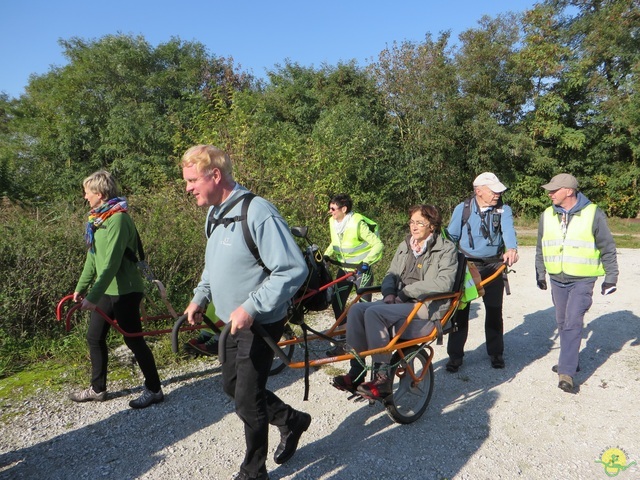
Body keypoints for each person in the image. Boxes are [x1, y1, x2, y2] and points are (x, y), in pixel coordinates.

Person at [182, 145, 311, 480]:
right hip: (231, 322)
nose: (188, 187)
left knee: (246, 399)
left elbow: (292, 269)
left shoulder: (257, 212)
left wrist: (252, 306)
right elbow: (213, 266)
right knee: (232, 387)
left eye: (193, 180)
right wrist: (200, 297)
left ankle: (253, 471)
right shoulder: (214, 213)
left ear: (215, 175)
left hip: (261, 319)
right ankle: (291, 420)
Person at [332, 204, 458, 399]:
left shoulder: (446, 249)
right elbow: (391, 274)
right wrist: (389, 292)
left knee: (374, 313)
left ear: (432, 226)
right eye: (412, 222)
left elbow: (444, 283)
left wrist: (406, 292)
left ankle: (382, 378)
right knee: (357, 310)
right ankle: (356, 371)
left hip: (426, 305)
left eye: (419, 223)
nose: (413, 227)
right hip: (401, 301)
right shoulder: (405, 245)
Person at [70, 170, 164, 409]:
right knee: (94, 337)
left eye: (87, 192)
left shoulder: (118, 219)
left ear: (100, 194)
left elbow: (111, 262)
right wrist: (81, 289)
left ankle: (154, 389)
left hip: (125, 290)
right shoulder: (96, 221)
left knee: (133, 340)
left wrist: (93, 296)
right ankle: (98, 389)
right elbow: (93, 258)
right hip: (106, 290)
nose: (85, 197)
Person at [535, 173, 618, 393]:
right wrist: (540, 272)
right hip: (557, 279)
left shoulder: (593, 214)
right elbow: (540, 246)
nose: (550, 193)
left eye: (554, 190)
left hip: (582, 279)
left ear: (569, 191)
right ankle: (569, 360)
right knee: (562, 322)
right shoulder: (547, 214)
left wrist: (611, 277)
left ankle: (567, 373)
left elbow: (607, 247)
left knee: (572, 321)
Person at [445, 172, 519, 372]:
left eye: (499, 190)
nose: (498, 194)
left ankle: (496, 353)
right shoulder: (463, 209)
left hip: (494, 266)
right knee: (460, 312)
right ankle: (455, 356)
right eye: (493, 190)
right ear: (478, 191)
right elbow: (451, 236)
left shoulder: (504, 209)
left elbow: (508, 231)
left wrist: (511, 249)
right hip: (467, 267)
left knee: (494, 311)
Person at [323, 193, 384, 355]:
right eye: (329, 208)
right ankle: (342, 343)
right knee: (337, 304)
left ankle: (363, 345)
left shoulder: (357, 223)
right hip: (344, 270)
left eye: (333, 208)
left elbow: (378, 244)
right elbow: (335, 242)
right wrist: (327, 255)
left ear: (344, 209)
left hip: (361, 272)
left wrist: (366, 262)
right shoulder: (333, 222)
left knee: (363, 309)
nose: (330, 211)